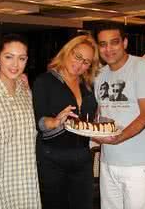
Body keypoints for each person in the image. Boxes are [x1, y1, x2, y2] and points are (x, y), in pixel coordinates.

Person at [94, 23, 145, 209]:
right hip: (108, 159)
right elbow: (102, 112)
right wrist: (93, 132)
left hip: (138, 163)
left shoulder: (143, 68)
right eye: (102, 44)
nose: (108, 49)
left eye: (114, 42)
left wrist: (119, 138)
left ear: (124, 42)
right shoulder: (100, 74)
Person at [32, 34, 99, 209]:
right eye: (77, 57)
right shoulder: (44, 81)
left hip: (83, 157)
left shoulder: (88, 85)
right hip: (53, 158)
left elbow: (90, 119)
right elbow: (39, 122)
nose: (80, 65)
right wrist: (54, 122)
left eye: (86, 62)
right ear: (67, 51)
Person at [0, 34, 41, 209]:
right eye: (9, 57)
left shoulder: (25, 90)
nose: (15, 65)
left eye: (21, 58)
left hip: (26, 180)